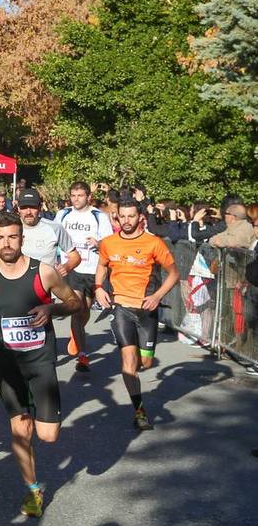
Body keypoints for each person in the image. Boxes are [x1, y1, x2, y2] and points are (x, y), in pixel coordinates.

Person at [0, 213, 82, 518]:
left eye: (12, 237)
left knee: (48, 436)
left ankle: (37, 420)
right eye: (0, 238)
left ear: (22, 238)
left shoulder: (44, 273)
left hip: (40, 362)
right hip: (7, 363)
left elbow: (75, 303)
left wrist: (52, 307)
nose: (6, 244)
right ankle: (33, 491)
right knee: (21, 431)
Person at [95, 199, 180, 430]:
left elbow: (173, 274)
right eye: (122, 216)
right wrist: (98, 287)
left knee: (145, 362)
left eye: (131, 216)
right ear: (117, 217)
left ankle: (138, 374)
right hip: (121, 308)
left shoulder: (154, 243)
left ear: (140, 217)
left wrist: (157, 296)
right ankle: (139, 411)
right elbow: (102, 265)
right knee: (128, 363)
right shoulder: (109, 243)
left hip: (147, 310)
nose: (126, 221)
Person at [54, 181, 116, 370]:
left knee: (84, 311)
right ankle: (82, 355)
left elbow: (108, 244)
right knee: (76, 306)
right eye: (73, 195)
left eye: (80, 195)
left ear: (89, 196)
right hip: (71, 268)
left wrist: (97, 243)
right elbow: (53, 236)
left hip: (92, 270)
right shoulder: (63, 214)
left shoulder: (99, 217)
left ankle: (77, 333)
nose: (76, 199)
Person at [15, 189, 81, 278]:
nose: (28, 212)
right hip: (19, 283)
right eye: (24, 207)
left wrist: (66, 267)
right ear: (18, 208)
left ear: (40, 207)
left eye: (33, 207)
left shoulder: (54, 228)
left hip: (46, 286)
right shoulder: (12, 228)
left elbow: (75, 256)